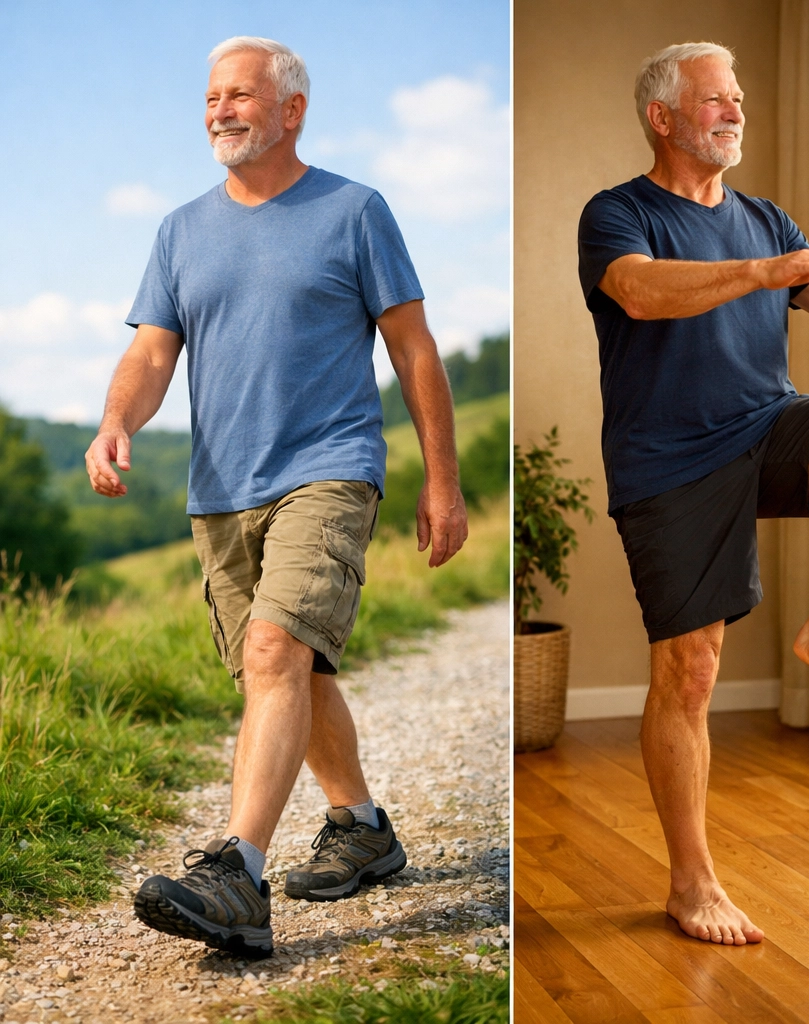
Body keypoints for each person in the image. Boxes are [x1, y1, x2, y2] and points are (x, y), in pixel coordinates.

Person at [85, 36, 468, 958]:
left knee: (274, 647)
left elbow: (413, 350)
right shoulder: (180, 230)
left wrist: (443, 483)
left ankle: (239, 876)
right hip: (220, 489)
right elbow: (151, 352)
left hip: (329, 468)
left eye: (241, 95)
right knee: (290, 669)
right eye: (212, 96)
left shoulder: (354, 211)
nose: (220, 109)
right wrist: (116, 421)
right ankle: (363, 826)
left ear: (292, 109)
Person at [577, 42, 809, 947]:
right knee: (691, 670)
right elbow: (638, 293)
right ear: (663, 117)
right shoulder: (619, 212)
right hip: (668, 459)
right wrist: (758, 273)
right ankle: (691, 882)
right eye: (714, 100)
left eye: (737, 98)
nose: (734, 112)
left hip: (763, 426)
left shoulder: (765, 216)